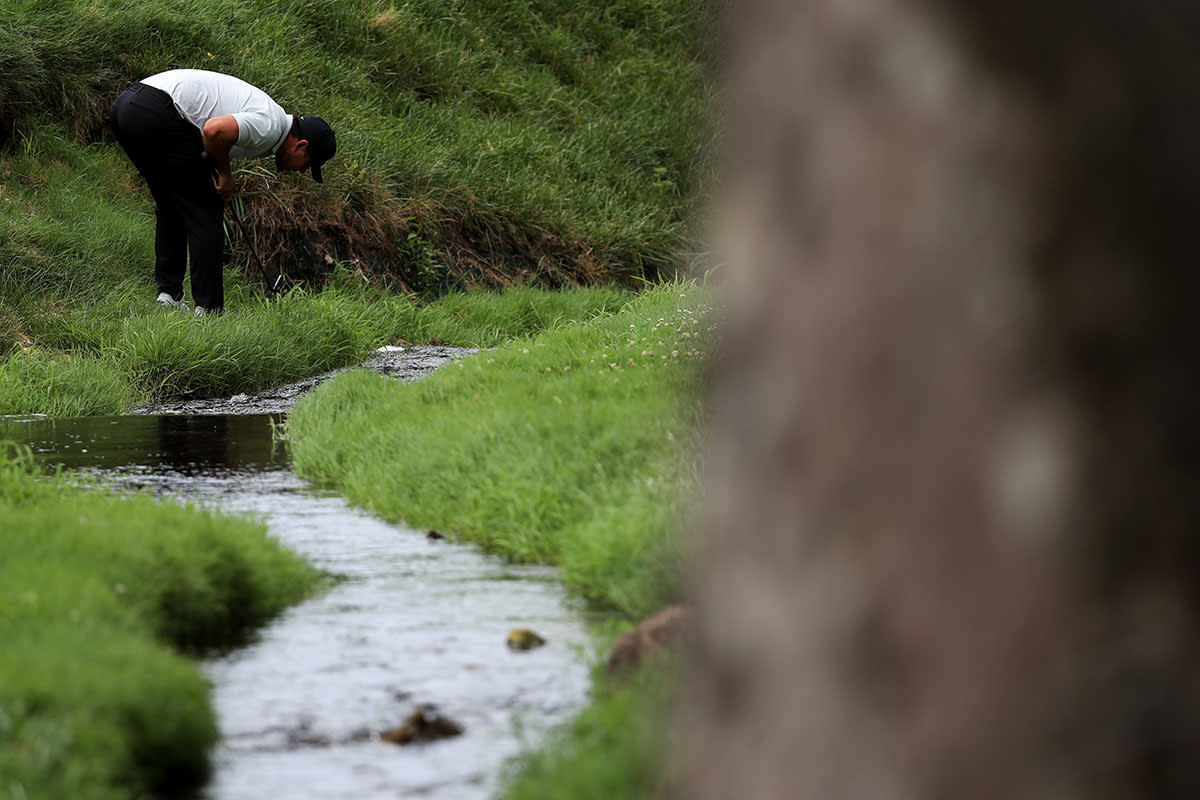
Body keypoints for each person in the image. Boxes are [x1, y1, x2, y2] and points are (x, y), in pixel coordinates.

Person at [108, 69, 336, 316]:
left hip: (127, 107)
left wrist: (215, 166)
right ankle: (209, 310)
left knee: (172, 203)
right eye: (307, 164)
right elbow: (215, 130)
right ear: (301, 145)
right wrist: (225, 175)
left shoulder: (271, 119)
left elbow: (211, 135)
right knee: (205, 210)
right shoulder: (270, 125)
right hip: (157, 109)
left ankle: (170, 296)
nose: (301, 171)